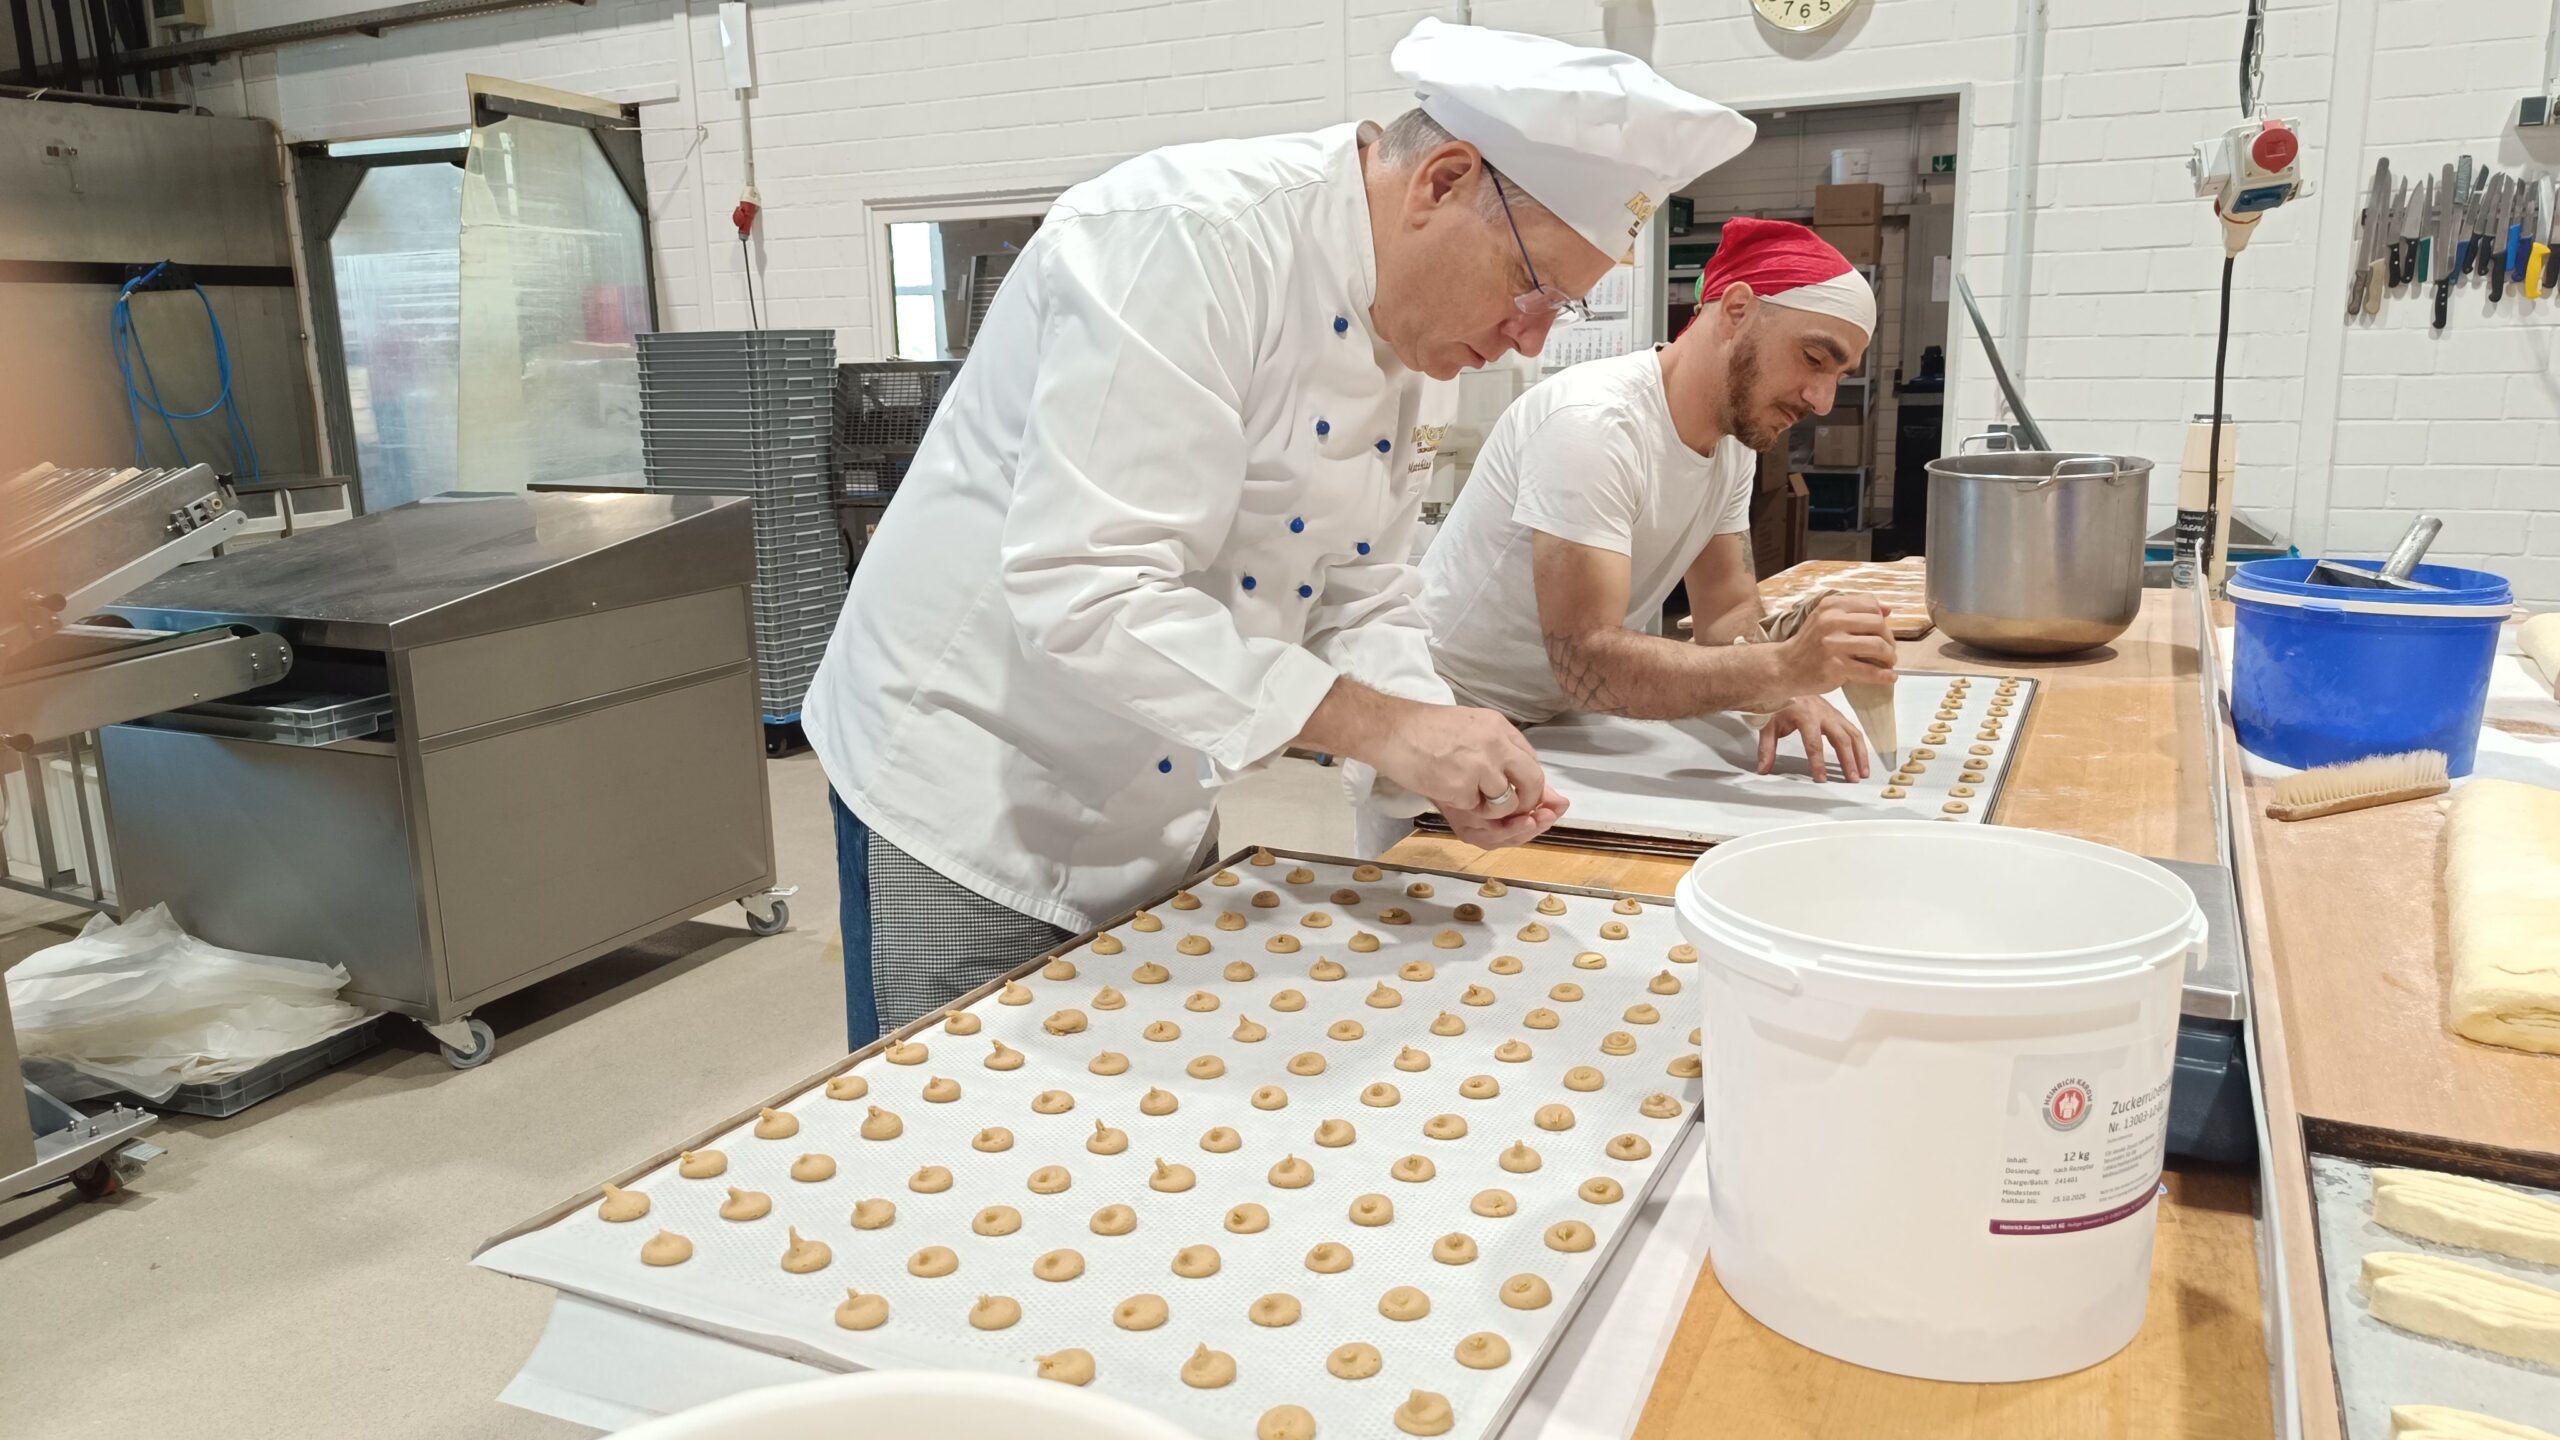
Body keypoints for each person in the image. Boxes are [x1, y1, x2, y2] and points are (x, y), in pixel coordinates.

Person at [804, 20, 1755, 1046]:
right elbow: (1089, 591)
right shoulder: (1183, 242)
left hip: (1159, 784)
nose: (1529, 340)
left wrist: (1433, 747)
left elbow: (1361, 585)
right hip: (973, 782)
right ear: (1441, 182)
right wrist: (1377, 726)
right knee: (959, 1111)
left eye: (1562, 310)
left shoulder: (1409, 326)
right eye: (1534, 291)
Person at [1411, 218, 1898, 806]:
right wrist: (1781, 668)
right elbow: (1587, 659)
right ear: (1738, 309)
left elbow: (1727, 611)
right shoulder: (1593, 424)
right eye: (1814, 358)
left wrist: (1783, 691)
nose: (1822, 401)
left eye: (1839, 377)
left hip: (1558, 722)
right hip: (1445, 718)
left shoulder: (1731, 445)